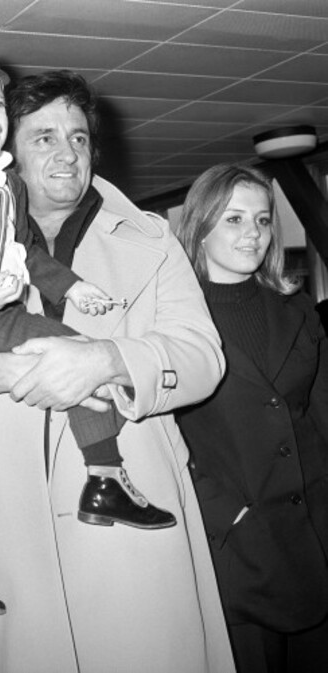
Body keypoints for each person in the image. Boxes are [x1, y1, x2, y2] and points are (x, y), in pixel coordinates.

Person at [0, 69, 234, 672]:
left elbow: (202, 358)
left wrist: (105, 359)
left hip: (127, 515)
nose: (67, 153)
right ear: (7, 151)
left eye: (79, 138)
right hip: (6, 524)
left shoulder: (152, 240)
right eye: (44, 138)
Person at [0, 37, 175, 615]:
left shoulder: (7, 187)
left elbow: (26, 250)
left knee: (71, 354)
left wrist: (73, 287)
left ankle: (98, 478)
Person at [176, 164, 328, 673]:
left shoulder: (296, 308)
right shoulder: (173, 322)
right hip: (239, 547)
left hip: (316, 532)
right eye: (235, 219)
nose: (253, 235)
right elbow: (160, 435)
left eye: (263, 221)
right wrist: (224, 515)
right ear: (200, 226)